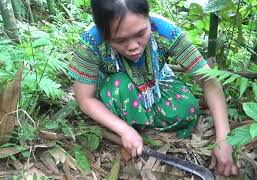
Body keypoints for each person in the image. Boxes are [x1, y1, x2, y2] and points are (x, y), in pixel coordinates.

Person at [68, 0, 239, 176]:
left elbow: (208, 81)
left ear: (148, 19)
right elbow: (85, 99)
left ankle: (140, 125)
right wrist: (123, 130)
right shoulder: (90, 44)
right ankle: (131, 126)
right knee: (120, 86)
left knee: (187, 108)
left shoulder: (166, 32)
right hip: (118, 92)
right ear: (104, 34)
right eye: (120, 40)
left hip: (154, 84)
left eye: (141, 33)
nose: (133, 46)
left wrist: (224, 140)